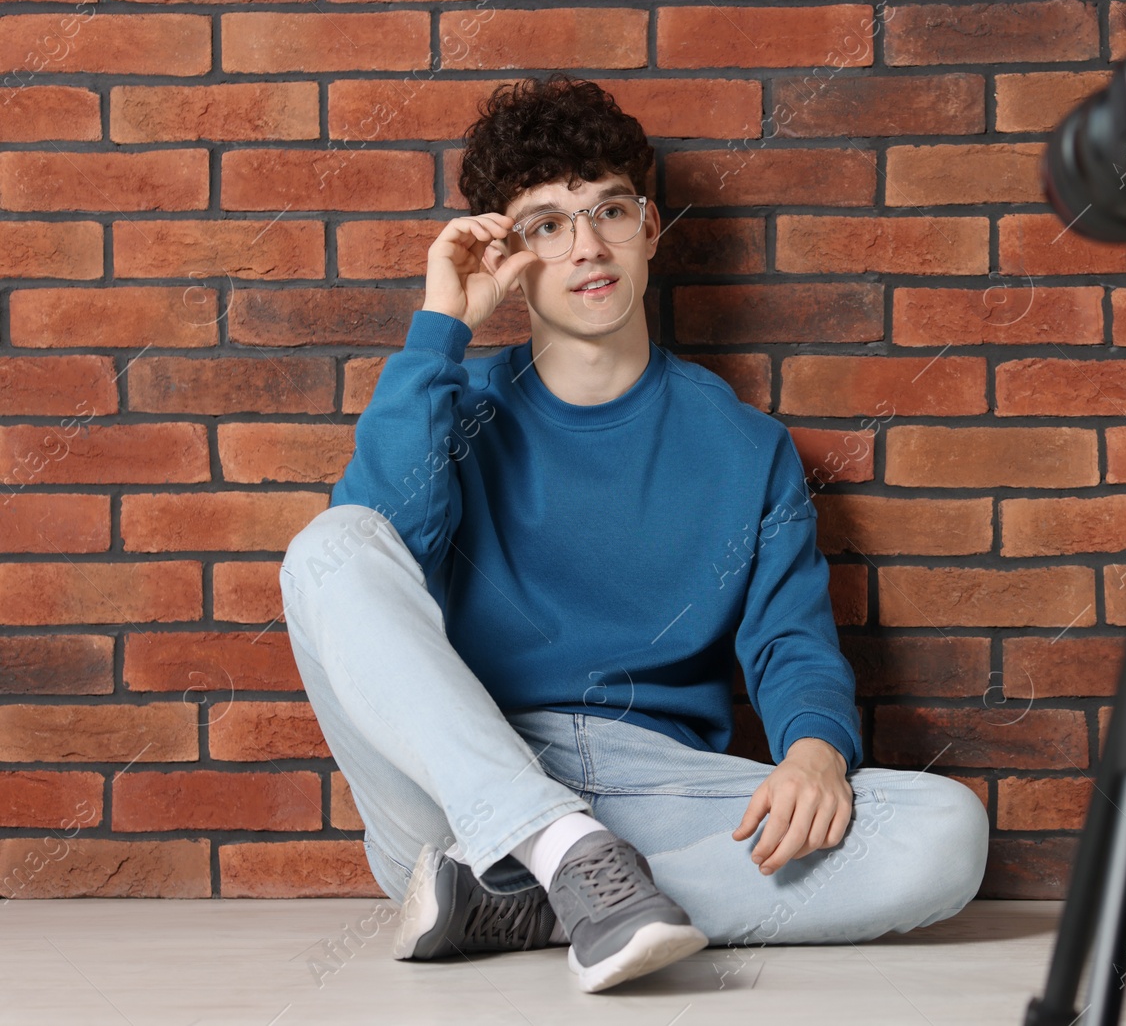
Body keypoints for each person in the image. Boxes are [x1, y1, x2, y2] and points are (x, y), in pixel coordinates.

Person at [277, 73, 989, 994]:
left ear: (649, 228)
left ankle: (534, 895)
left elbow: (791, 643)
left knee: (945, 833)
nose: (586, 246)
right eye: (546, 224)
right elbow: (370, 564)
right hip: (459, 786)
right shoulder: (454, 412)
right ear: (510, 255)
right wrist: (441, 328)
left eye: (608, 211)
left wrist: (816, 750)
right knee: (328, 545)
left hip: (652, 790)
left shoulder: (745, 448)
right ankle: (553, 848)